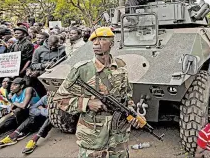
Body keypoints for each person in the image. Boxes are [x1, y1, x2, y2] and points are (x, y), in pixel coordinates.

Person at [52, 27, 144, 157]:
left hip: (119, 137)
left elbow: (127, 95)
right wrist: (87, 103)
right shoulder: (82, 69)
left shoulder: (121, 65)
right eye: (94, 40)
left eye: (101, 40)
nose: (96, 43)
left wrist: (131, 113)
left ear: (111, 43)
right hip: (93, 137)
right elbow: (60, 99)